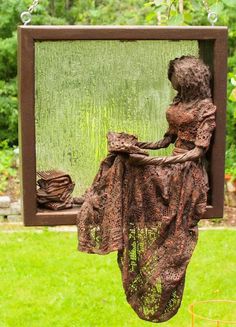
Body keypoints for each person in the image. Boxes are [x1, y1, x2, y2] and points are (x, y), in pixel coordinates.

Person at [77, 56, 216, 323]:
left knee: (133, 167)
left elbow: (198, 150)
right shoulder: (179, 102)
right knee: (121, 159)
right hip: (173, 162)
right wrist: (139, 145)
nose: (173, 85)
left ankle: (108, 203)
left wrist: (157, 161)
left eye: (176, 79)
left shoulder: (206, 109)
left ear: (189, 78)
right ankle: (103, 200)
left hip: (187, 172)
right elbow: (168, 139)